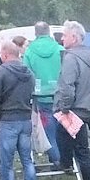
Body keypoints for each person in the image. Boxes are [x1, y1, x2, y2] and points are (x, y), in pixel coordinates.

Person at [54, 20, 90, 180]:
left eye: (64, 35)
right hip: (88, 107)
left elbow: (67, 86)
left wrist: (64, 108)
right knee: (74, 143)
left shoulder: (71, 58)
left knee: (82, 150)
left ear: (74, 37)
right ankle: (65, 164)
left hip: (75, 110)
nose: (62, 38)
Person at [0, 40, 36, 180]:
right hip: (25, 119)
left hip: (8, 120)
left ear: (5, 54)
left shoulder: (1, 72)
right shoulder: (29, 72)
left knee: (7, 160)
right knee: (27, 158)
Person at [23, 22, 64, 169]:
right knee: (63, 128)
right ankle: (65, 159)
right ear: (49, 32)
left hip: (40, 96)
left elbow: (26, 73)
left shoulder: (29, 51)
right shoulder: (60, 49)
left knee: (47, 131)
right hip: (59, 95)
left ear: (36, 33)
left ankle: (56, 159)